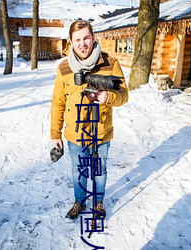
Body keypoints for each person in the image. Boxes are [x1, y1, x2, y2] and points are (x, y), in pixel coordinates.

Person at [50, 20, 128, 220]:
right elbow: (58, 102)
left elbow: (124, 95)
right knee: (78, 170)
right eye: (77, 40)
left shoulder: (110, 64)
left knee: (99, 169)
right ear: (71, 42)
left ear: (93, 38)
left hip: (101, 131)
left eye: (86, 38)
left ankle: (98, 202)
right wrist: (55, 134)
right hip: (75, 133)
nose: (82, 43)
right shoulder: (64, 68)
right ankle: (79, 201)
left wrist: (108, 97)